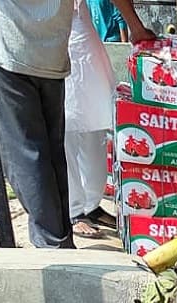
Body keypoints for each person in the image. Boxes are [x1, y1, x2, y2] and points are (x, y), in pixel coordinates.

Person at [0, 0, 153, 248]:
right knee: (54, 150)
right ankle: (63, 233)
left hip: (9, 47)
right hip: (53, 51)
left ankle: (53, 243)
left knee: (28, 154)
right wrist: (135, 26)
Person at [64, 0, 119, 238]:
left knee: (96, 125)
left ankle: (91, 205)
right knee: (67, 130)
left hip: (82, 35)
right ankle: (74, 212)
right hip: (55, 39)